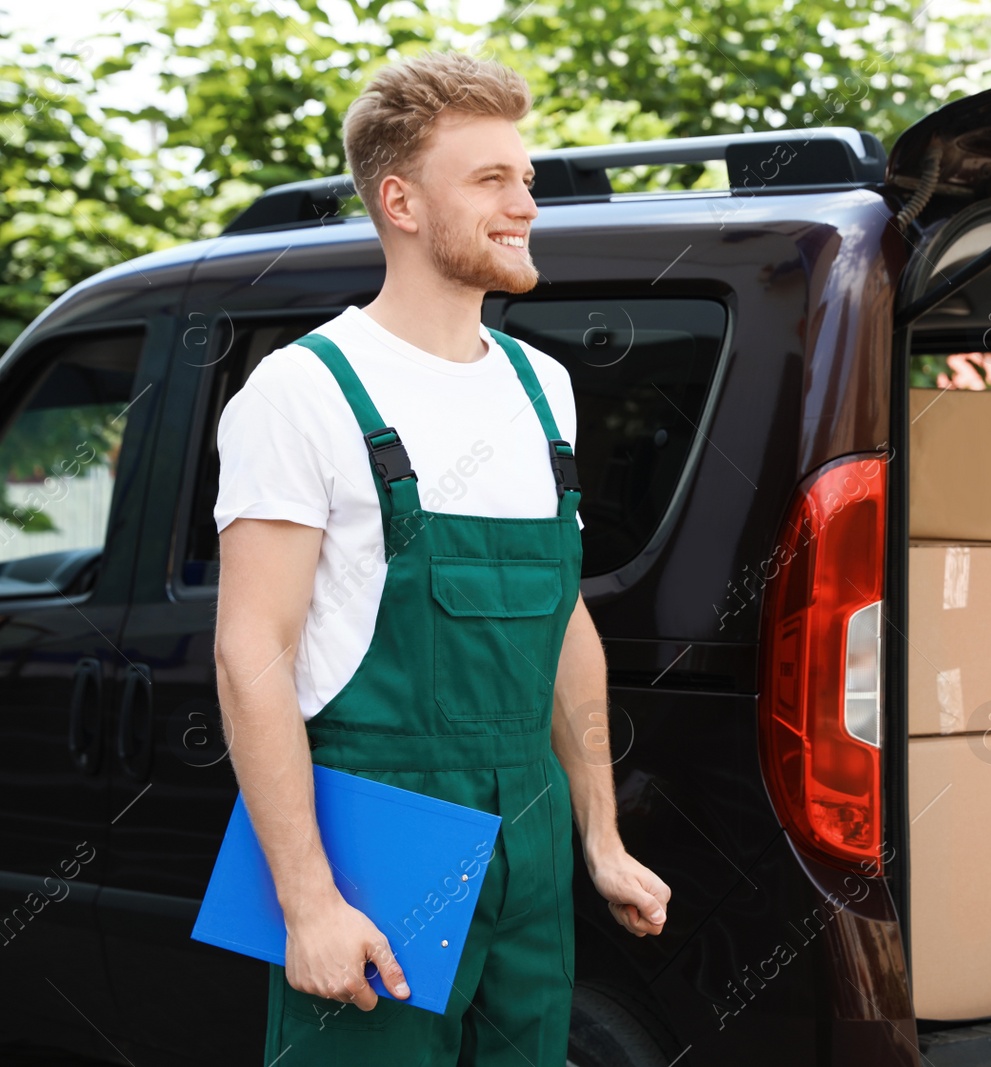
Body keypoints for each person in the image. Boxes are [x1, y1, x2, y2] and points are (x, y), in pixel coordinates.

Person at [212, 49, 670, 1065]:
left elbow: (563, 624)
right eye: (491, 180)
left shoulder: (539, 386)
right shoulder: (304, 392)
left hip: (530, 827)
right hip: (380, 829)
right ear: (401, 202)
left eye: (527, 180)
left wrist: (598, 833)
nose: (526, 205)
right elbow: (251, 653)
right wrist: (309, 899)